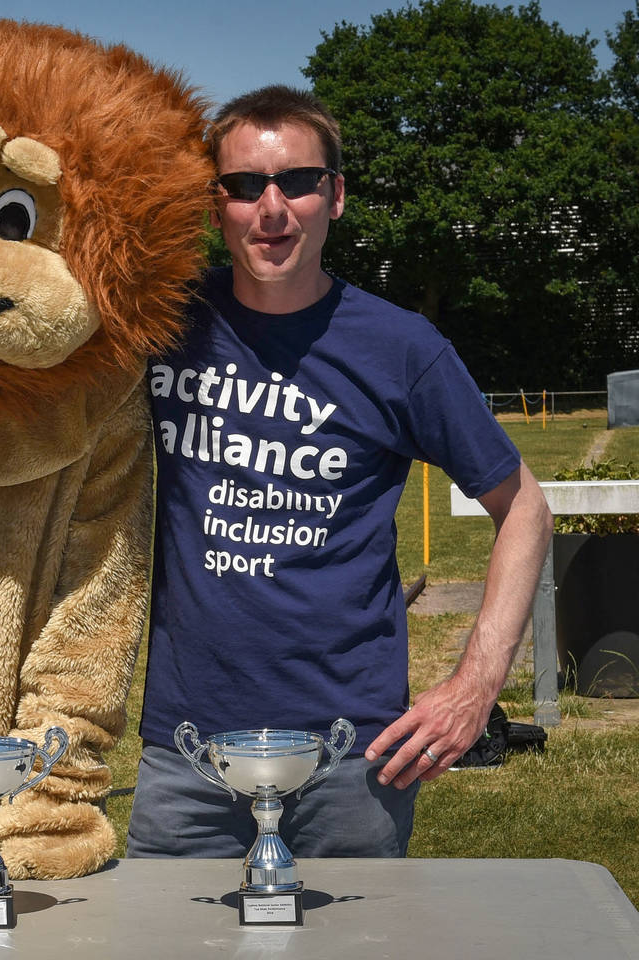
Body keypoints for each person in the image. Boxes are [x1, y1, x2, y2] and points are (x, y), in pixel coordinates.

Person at [127, 85, 553, 859]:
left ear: (336, 196)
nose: (272, 209)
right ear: (215, 202)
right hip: (185, 751)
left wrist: (475, 685)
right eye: (246, 186)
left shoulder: (400, 348)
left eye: (298, 181)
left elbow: (523, 505)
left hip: (347, 756)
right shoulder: (162, 321)